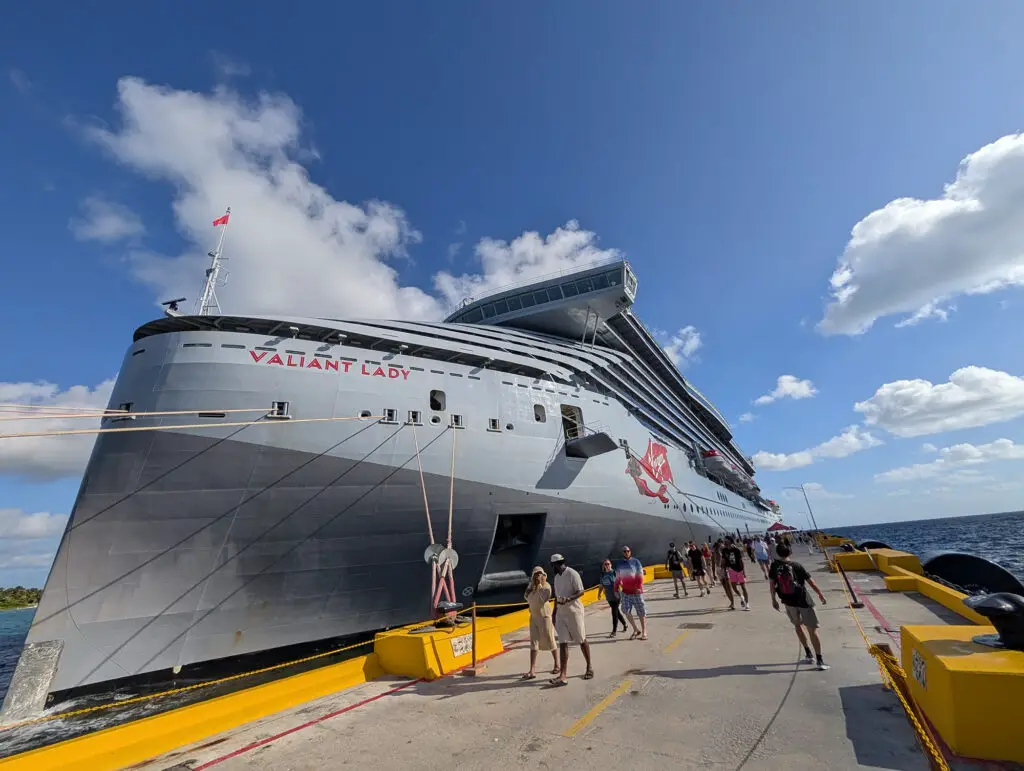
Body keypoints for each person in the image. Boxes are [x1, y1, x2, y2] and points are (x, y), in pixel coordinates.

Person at [769, 543, 829, 671]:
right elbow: (811, 582)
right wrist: (820, 595)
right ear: (790, 552)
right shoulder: (796, 565)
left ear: (778, 553)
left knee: (798, 626)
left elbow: (772, 584)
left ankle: (808, 653)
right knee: (812, 630)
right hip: (803, 601)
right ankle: (819, 660)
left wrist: (774, 600)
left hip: (788, 601)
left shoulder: (774, 566)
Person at [550, 554, 593, 685]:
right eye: (557, 564)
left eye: (559, 564)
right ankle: (563, 675)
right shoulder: (557, 578)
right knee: (563, 642)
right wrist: (554, 612)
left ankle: (589, 666)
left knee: (581, 639)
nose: (558, 566)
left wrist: (568, 599)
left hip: (574, 612)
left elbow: (581, 591)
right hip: (561, 614)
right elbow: (557, 597)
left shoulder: (572, 574)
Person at [521, 566, 559, 679]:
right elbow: (525, 596)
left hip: (545, 617)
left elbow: (545, 598)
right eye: (535, 574)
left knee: (550, 639)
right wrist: (533, 586)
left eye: (539, 574)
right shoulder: (531, 586)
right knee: (533, 642)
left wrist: (539, 585)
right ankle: (532, 670)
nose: (537, 576)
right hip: (534, 617)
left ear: (543, 575)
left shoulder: (546, 586)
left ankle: (557, 664)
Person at [615, 545, 647, 640]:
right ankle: (636, 629)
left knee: (641, 611)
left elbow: (640, 575)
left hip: (637, 592)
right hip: (626, 592)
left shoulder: (636, 562)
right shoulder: (619, 564)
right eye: (624, 551)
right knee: (625, 609)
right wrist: (615, 589)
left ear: (630, 551)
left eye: (628, 551)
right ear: (622, 553)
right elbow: (617, 578)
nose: (626, 553)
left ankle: (644, 632)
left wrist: (638, 587)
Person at [597, 559, 628, 637]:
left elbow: (621, 583)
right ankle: (625, 624)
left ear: (611, 564)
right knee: (617, 611)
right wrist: (599, 594)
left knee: (614, 612)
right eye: (605, 564)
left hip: (617, 595)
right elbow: (601, 585)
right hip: (609, 596)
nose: (607, 566)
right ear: (604, 566)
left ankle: (614, 631)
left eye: (608, 564)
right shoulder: (602, 574)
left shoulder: (614, 573)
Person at [721, 536, 750, 610]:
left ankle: (747, 604)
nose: (725, 542)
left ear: (730, 541)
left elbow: (741, 560)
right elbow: (724, 561)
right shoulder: (724, 550)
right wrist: (724, 571)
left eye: (727, 540)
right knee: (734, 587)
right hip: (731, 570)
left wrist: (744, 572)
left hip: (739, 570)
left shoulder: (736, 549)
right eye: (725, 541)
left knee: (743, 587)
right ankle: (741, 597)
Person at [712, 539, 734, 607]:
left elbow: (731, 560)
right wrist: (713, 574)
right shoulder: (716, 551)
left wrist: (714, 574)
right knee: (726, 586)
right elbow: (713, 563)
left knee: (727, 586)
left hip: (723, 568)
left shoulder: (722, 550)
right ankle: (732, 602)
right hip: (720, 569)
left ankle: (732, 602)